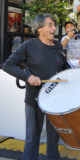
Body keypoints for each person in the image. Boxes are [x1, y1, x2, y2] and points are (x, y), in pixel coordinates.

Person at [2, 14, 70, 160]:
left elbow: (65, 67)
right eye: (50, 25)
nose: (54, 28)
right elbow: (7, 65)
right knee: (32, 138)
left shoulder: (58, 46)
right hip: (34, 100)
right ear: (39, 28)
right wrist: (28, 76)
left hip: (55, 101)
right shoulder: (29, 45)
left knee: (53, 140)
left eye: (54, 25)